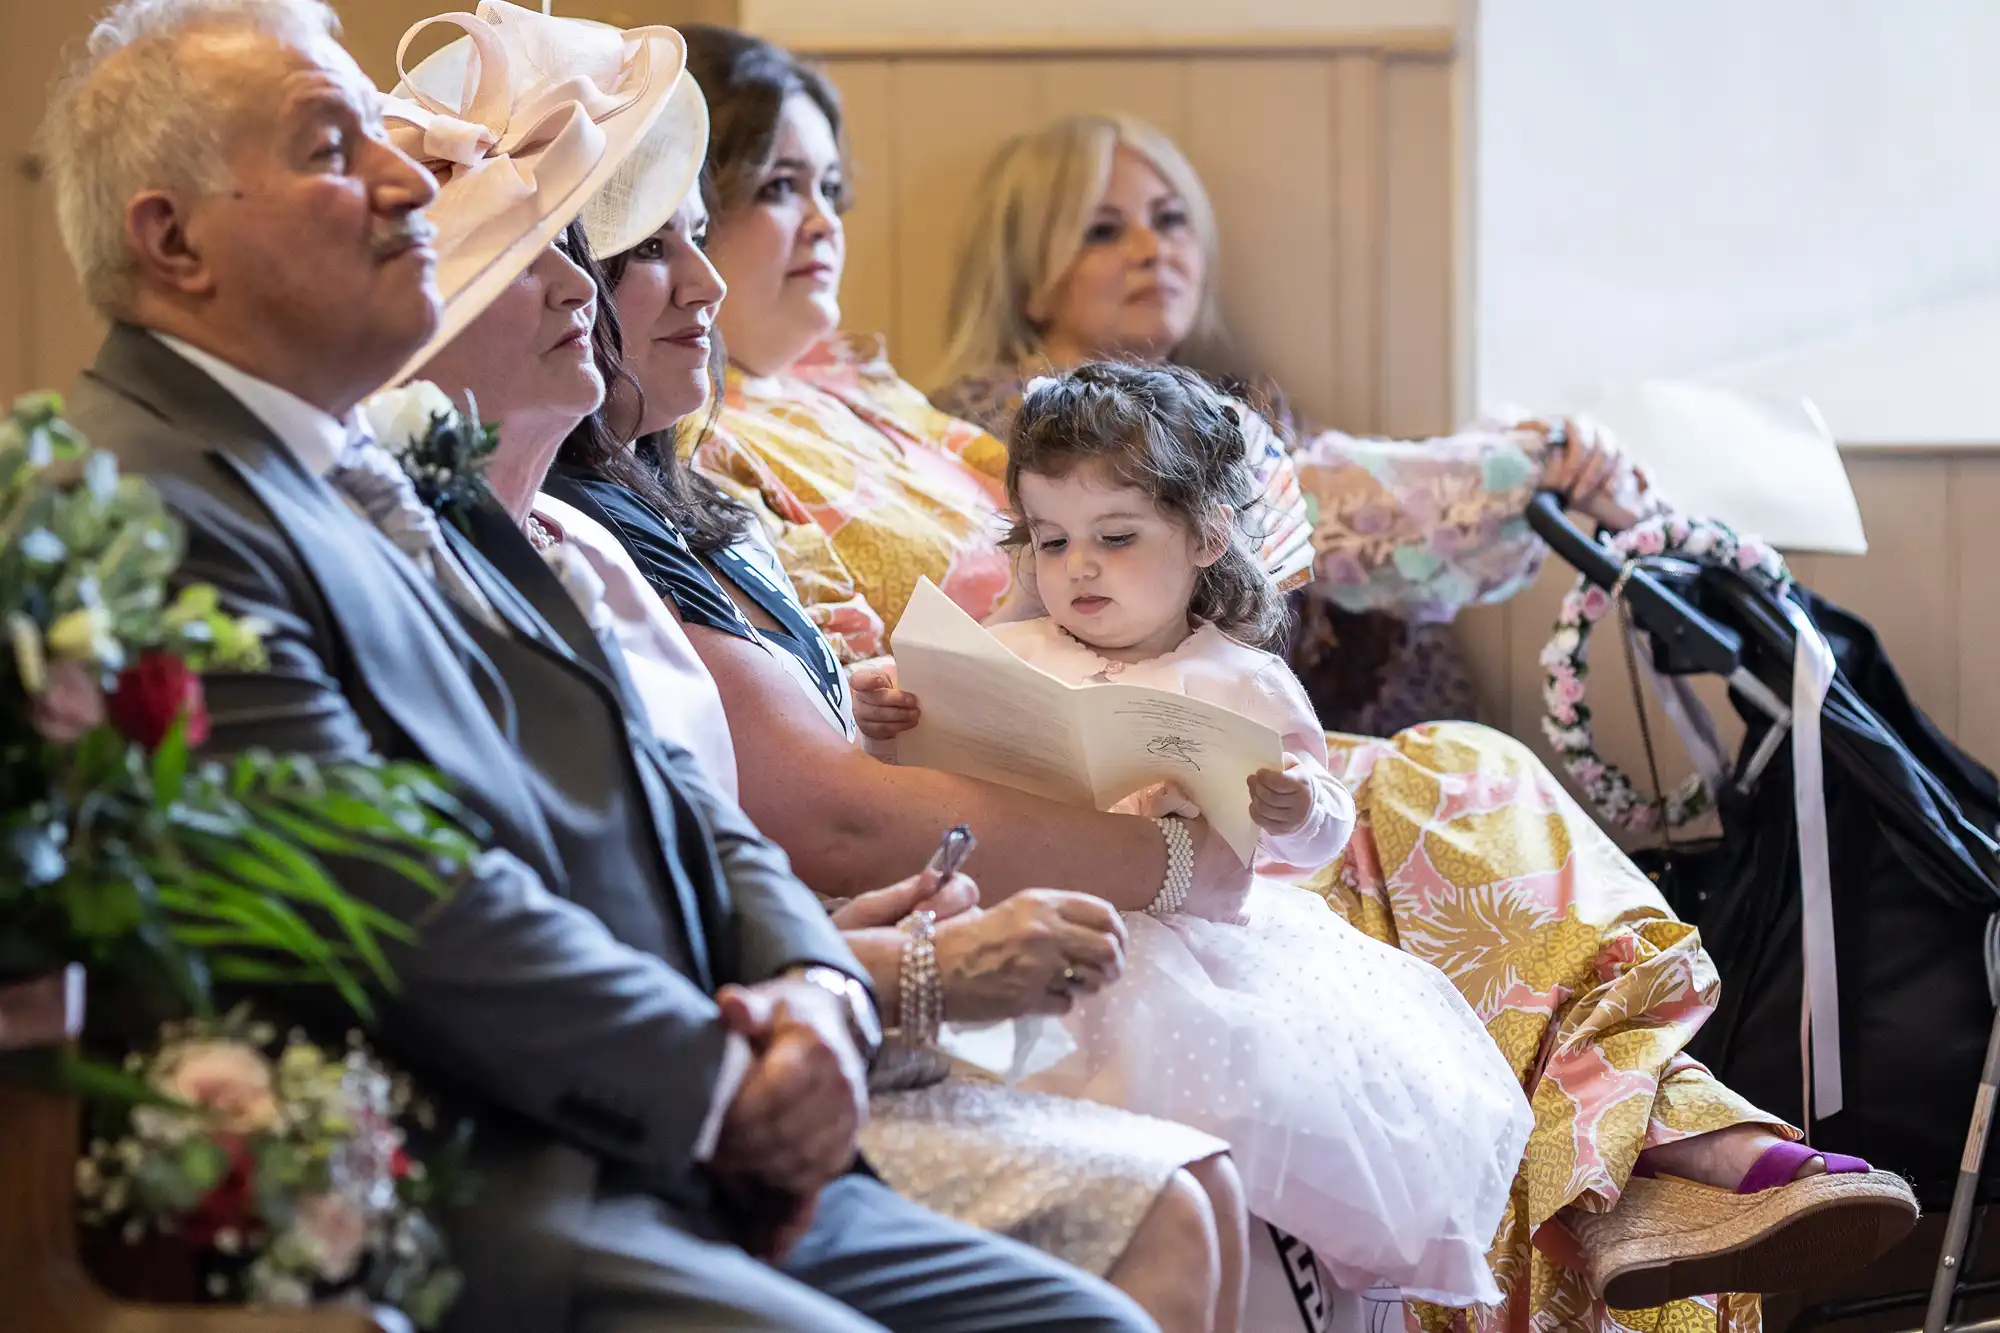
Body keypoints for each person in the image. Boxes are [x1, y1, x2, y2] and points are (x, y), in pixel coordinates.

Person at [579, 24, 1921, 1333]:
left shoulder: (885, 406)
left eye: (830, 188)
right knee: (1453, 778)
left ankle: (1658, 1155)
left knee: (1454, 769)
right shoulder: (716, 453)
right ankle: (1660, 1162)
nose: (810, 222)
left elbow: (1238, 528)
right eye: (764, 193)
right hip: (1025, 788)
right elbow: (874, 671)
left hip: (1156, 749)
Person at [44, 2, 1156, 1329]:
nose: (411, 177)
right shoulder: (146, 503)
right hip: (488, 1175)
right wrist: (729, 1081)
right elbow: (408, 902)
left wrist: (809, 991)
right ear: (171, 238)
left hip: (677, 1119)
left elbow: (658, 774)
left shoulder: (385, 462)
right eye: (338, 149)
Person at [405, 52, 1245, 1331]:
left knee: (1203, 1171)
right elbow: (800, 817)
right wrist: (890, 970)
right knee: (1173, 1192)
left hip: (803, 972)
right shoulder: (489, 542)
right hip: (676, 1086)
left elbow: (714, 830)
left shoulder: (605, 533)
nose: (690, 283)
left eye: (675, 241)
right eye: (632, 250)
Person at [851, 362, 1535, 1305]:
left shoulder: (1237, 678)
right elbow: (916, 770)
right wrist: (883, 715)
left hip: (1189, 946)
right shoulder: (1008, 649)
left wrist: (1296, 808)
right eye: (1050, 540)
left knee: (1212, 1105)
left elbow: (1316, 826)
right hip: (1028, 915)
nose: (1077, 565)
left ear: (1207, 534)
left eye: (1116, 536)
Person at [929, 111, 1654, 737]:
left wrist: (1538, 460)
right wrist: (1526, 466)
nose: (1152, 249)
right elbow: (1326, 505)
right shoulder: (1002, 416)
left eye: (1171, 218)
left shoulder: (1241, 403)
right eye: (1103, 230)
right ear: (1029, 279)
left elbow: (1356, 495)